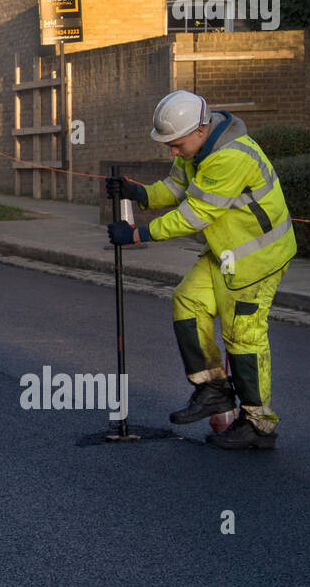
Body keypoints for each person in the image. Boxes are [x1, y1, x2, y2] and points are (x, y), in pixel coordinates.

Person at [106, 91, 296, 450]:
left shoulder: (230, 157)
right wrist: (138, 193)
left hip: (258, 259)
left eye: (176, 145)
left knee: (244, 337)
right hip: (227, 252)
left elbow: (195, 214)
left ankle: (258, 424)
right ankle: (212, 391)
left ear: (198, 130)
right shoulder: (197, 148)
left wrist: (137, 234)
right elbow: (176, 188)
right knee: (187, 302)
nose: (172, 152)